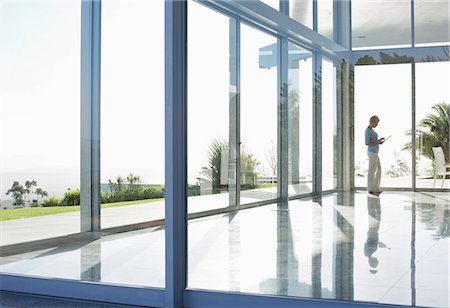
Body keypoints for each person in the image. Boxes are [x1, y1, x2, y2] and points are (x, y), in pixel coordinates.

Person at [365, 115, 385, 196]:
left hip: (375, 152)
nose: (377, 124)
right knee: (372, 171)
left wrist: (378, 140)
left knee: (378, 169)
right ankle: (371, 189)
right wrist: (378, 142)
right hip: (372, 152)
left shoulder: (372, 131)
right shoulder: (368, 131)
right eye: (376, 123)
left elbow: (373, 141)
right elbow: (367, 143)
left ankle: (376, 188)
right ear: (372, 122)